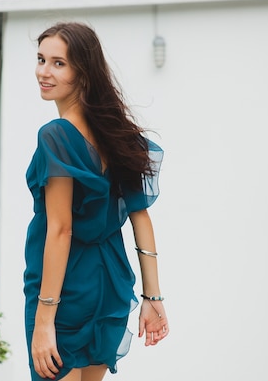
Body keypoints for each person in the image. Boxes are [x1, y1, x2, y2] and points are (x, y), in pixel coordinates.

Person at [23, 21, 169, 381]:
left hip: (65, 294)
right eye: (41, 59)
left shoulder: (56, 136)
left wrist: (44, 321)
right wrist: (153, 297)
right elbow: (141, 216)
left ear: (83, 73)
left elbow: (60, 230)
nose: (44, 71)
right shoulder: (119, 135)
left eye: (59, 63)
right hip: (109, 286)